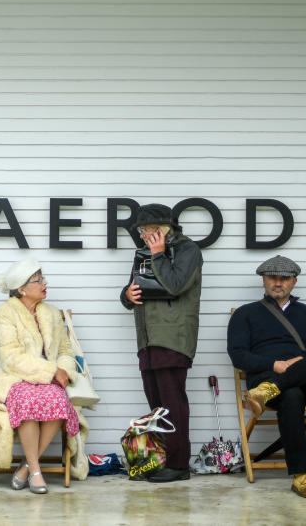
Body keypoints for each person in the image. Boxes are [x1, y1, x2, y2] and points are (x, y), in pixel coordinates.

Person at [227, 255, 306, 499]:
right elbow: (238, 356)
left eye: (284, 278)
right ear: (264, 280)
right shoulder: (245, 314)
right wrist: (274, 365)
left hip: (303, 381)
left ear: (293, 282)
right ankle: (302, 476)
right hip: (266, 378)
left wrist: (299, 362)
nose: (278, 283)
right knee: (291, 395)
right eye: (272, 278)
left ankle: (269, 389)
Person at [0, 258, 88, 494]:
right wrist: (51, 371)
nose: (44, 283)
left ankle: (28, 466)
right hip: (14, 378)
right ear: (21, 289)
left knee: (59, 401)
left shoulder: (50, 313)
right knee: (28, 400)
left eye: (43, 278)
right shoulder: (4, 314)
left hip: (49, 380)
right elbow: (11, 358)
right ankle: (36, 471)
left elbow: (64, 351)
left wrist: (64, 370)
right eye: (38, 280)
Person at [120, 203, 203, 483]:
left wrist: (158, 254)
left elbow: (176, 284)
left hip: (173, 337)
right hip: (147, 337)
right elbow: (134, 286)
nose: (143, 235)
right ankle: (158, 461)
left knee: (172, 402)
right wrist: (126, 296)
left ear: (163, 229)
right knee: (156, 404)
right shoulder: (144, 252)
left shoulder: (188, 250)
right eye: (141, 231)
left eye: (148, 230)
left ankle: (179, 465)